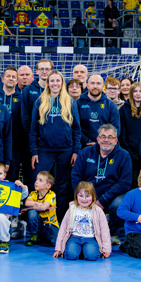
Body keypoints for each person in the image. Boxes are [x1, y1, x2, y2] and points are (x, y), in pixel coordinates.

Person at [29, 71, 81, 215]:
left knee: (62, 186)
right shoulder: (40, 101)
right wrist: (34, 151)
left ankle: (59, 219)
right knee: (39, 183)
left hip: (66, 150)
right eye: (52, 81)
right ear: (48, 83)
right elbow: (33, 129)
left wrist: (76, 150)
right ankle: (37, 218)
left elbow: (77, 129)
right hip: (45, 150)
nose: (55, 84)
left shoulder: (70, 101)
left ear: (62, 83)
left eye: (58, 81)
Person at [70, 124, 132, 227]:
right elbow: (76, 176)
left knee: (119, 205)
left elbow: (124, 183)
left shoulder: (124, 155)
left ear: (116, 141)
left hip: (112, 196)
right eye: (103, 137)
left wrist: (103, 200)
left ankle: (113, 232)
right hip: (88, 194)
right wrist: (83, 196)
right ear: (98, 139)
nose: (106, 140)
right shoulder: (85, 153)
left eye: (110, 137)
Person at [54, 181, 112, 260]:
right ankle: (79, 250)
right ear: (76, 196)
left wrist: (106, 249)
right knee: (70, 256)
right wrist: (59, 248)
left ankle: (83, 250)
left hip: (90, 238)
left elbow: (104, 231)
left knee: (92, 257)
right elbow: (63, 228)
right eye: (81, 196)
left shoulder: (97, 211)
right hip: (74, 238)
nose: (84, 199)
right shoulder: (72, 209)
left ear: (93, 197)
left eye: (87, 196)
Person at [23, 171, 60, 247]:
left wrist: (28, 208)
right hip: (39, 224)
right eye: (36, 179)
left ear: (48, 185)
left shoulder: (52, 195)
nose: (36, 182)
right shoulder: (33, 193)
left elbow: (43, 208)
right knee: (32, 212)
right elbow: (27, 203)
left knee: (55, 242)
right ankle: (34, 235)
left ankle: (42, 237)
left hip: (50, 225)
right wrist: (40, 204)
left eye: (40, 180)